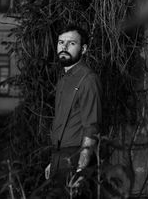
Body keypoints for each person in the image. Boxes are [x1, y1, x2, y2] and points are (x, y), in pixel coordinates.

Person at [45, 24, 102, 198]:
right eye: (61, 42)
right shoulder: (63, 79)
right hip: (59, 157)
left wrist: (81, 167)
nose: (64, 47)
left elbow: (92, 125)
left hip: (76, 157)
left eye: (71, 43)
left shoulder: (88, 79)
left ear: (83, 49)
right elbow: (63, 122)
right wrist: (53, 162)